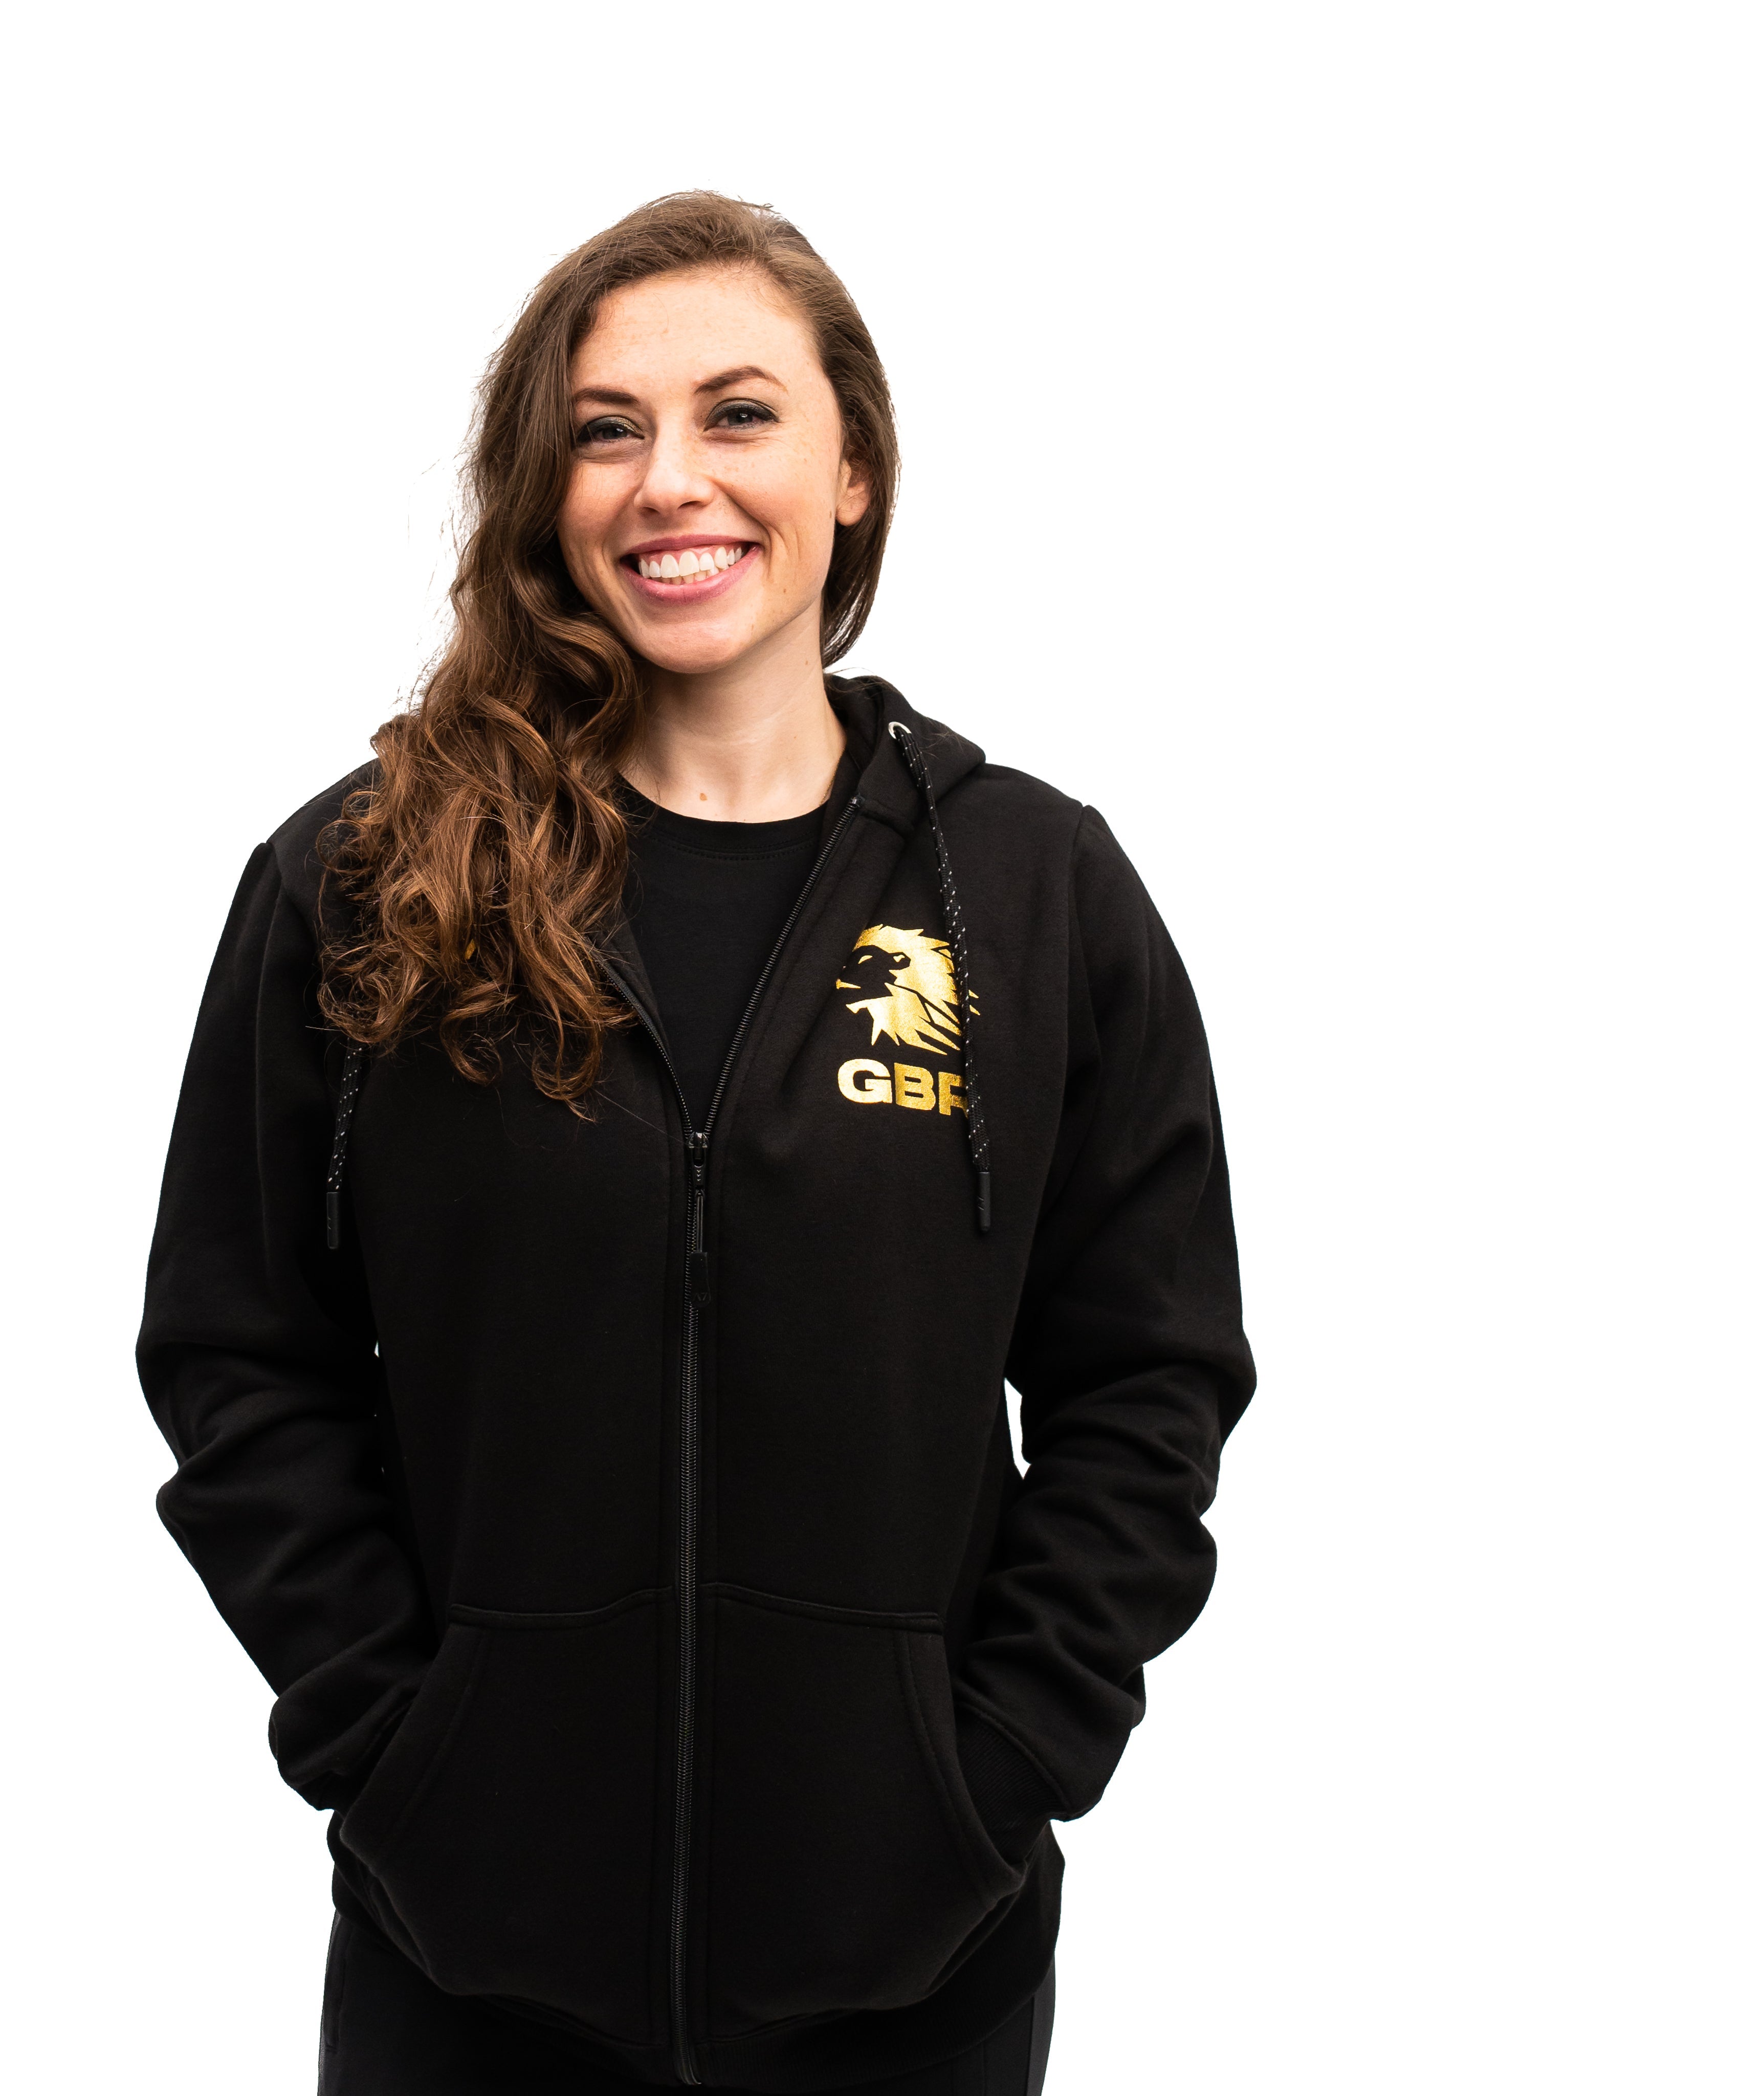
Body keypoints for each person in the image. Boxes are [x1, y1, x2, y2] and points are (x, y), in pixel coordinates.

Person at [138, 190, 1255, 2095]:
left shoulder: (1035, 891)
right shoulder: (377, 877)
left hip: (919, 1965)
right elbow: (241, 1355)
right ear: (548, 492)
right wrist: (399, 1748)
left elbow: (1148, 1376)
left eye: (739, 414)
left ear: (853, 468)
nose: (672, 480)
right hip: (468, 1964)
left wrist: (997, 1766)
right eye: (606, 429)